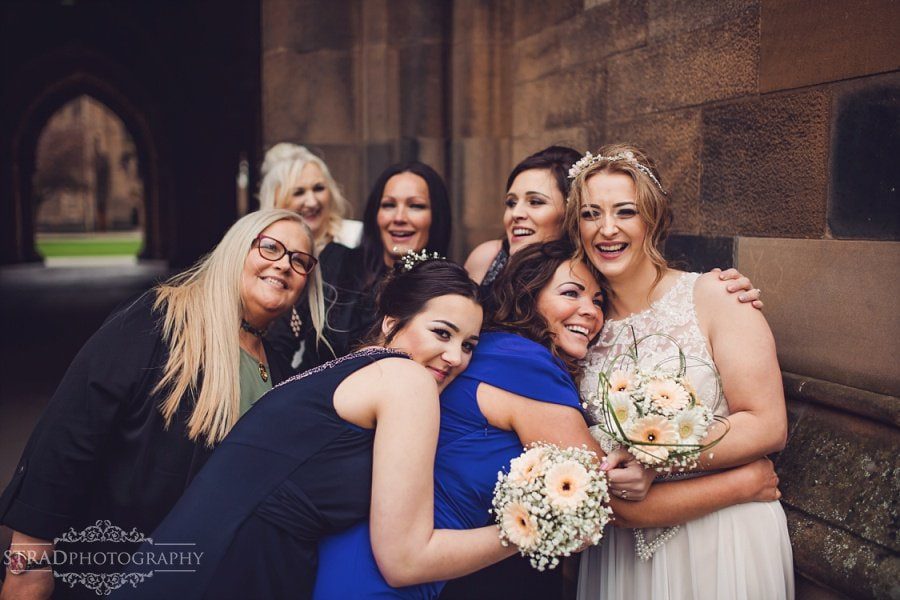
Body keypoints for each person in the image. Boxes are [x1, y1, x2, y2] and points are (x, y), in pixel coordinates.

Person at [313, 240, 783, 600]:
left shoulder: (494, 352)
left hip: (380, 559)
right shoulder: (525, 362)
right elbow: (601, 505)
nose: (590, 311)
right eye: (571, 293)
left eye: (600, 300)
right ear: (528, 295)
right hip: (386, 573)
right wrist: (744, 484)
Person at [114, 258, 523, 600]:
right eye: (441, 333)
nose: (455, 356)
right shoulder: (407, 380)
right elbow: (406, 560)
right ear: (391, 323)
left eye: (468, 345)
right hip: (232, 570)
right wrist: (525, 532)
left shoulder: (344, 371)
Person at [0, 209, 325, 600]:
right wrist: (29, 566)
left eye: (299, 260)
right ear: (236, 250)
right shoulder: (162, 319)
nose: (283, 265)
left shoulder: (278, 368)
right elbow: (68, 434)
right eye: (269, 247)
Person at [567, 144, 794, 599]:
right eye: (591, 214)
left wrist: (659, 459)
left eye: (625, 212)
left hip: (721, 534)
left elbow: (768, 425)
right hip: (622, 552)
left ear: (652, 219)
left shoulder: (715, 297)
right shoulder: (580, 327)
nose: (606, 229)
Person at [463, 145, 764, 306]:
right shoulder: (489, 258)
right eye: (591, 214)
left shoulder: (592, 291)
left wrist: (721, 291)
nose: (607, 228)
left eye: (536, 202)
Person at [277, 161, 454, 373]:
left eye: (415, 206)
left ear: (436, 217)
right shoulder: (335, 261)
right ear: (375, 214)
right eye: (388, 205)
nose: (399, 218)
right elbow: (280, 342)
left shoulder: (448, 291)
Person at [258, 142, 362, 249]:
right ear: (275, 200)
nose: (312, 202)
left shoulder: (357, 237)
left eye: (318, 188)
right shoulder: (265, 249)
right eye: (298, 192)